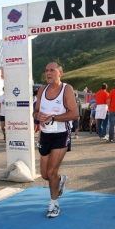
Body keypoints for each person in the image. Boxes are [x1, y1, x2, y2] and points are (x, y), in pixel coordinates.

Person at [33, 62, 78, 218]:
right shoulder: (41, 90)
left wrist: (53, 117)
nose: (48, 73)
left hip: (61, 134)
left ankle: (53, 204)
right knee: (45, 175)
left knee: (51, 171)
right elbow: (36, 112)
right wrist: (36, 116)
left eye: (52, 70)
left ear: (60, 73)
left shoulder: (67, 89)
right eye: (46, 71)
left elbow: (74, 114)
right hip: (45, 135)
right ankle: (60, 180)